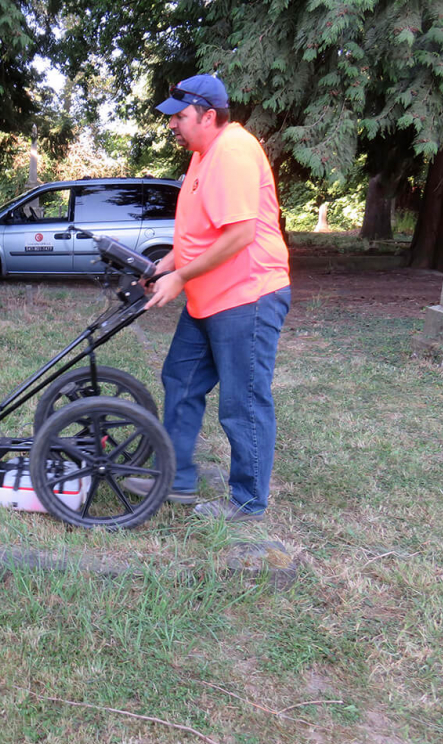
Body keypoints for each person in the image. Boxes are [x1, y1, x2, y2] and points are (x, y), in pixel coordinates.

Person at [125, 74, 291, 522]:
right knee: (180, 379)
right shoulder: (203, 156)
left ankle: (247, 502)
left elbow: (239, 235)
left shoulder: (233, 152)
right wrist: (167, 263)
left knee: (243, 402)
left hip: (247, 295)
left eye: (179, 117)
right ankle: (176, 476)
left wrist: (179, 277)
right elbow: (202, 231)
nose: (172, 126)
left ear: (209, 115)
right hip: (210, 296)